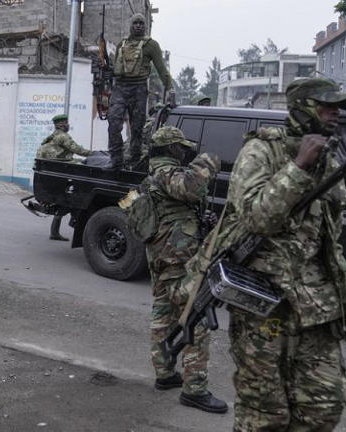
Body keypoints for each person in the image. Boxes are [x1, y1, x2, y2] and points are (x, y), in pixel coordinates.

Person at [186, 78, 346, 429]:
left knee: (324, 404)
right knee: (264, 413)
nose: (336, 113)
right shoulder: (261, 152)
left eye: (339, 107)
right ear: (302, 107)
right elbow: (256, 218)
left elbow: (330, 243)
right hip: (264, 306)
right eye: (327, 106)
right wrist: (298, 167)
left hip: (317, 309)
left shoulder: (331, 161)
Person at [135, 126, 227, 413]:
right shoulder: (164, 171)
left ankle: (165, 374)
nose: (185, 152)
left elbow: (180, 206)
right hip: (176, 256)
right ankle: (194, 389)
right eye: (181, 148)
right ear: (171, 149)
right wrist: (209, 160)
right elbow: (191, 187)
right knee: (195, 317)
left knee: (163, 312)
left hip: (165, 253)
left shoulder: (157, 174)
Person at [106, 13, 174, 170]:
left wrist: (170, 89)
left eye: (141, 23)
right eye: (135, 23)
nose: (138, 26)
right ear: (130, 25)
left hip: (139, 89)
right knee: (114, 123)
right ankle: (116, 159)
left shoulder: (151, 45)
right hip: (120, 88)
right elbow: (116, 67)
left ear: (145, 26)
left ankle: (134, 159)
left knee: (137, 126)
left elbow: (162, 69)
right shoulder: (121, 44)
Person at [36, 113, 93, 241]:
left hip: (51, 172)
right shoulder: (63, 136)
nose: (68, 125)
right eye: (66, 123)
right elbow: (78, 150)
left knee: (62, 202)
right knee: (71, 199)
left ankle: (54, 232)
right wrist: (94, 153)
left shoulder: (51, 137)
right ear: (61, 125)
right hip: (61, 170)